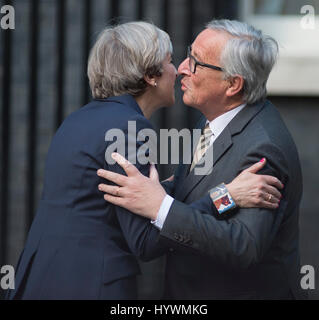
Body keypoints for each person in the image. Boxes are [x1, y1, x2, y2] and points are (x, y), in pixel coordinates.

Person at [7, 21, 281, 300]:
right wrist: (226, 195)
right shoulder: (129, 128)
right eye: (171, 61)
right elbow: (145, 242)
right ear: (151, 75)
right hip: (89, 285)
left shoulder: (80, 119)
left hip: (39, 276)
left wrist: (171, 190)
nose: (178, 71)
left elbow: (107, 203)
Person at [97, 19, 305, 299]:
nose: (181, 68)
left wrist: (161, 207)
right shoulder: (214, 119)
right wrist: (156, 191)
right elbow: (194, 193)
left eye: (196, 62)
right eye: (188, 54)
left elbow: (245, 246)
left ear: (232, 84)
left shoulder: (264, 148)